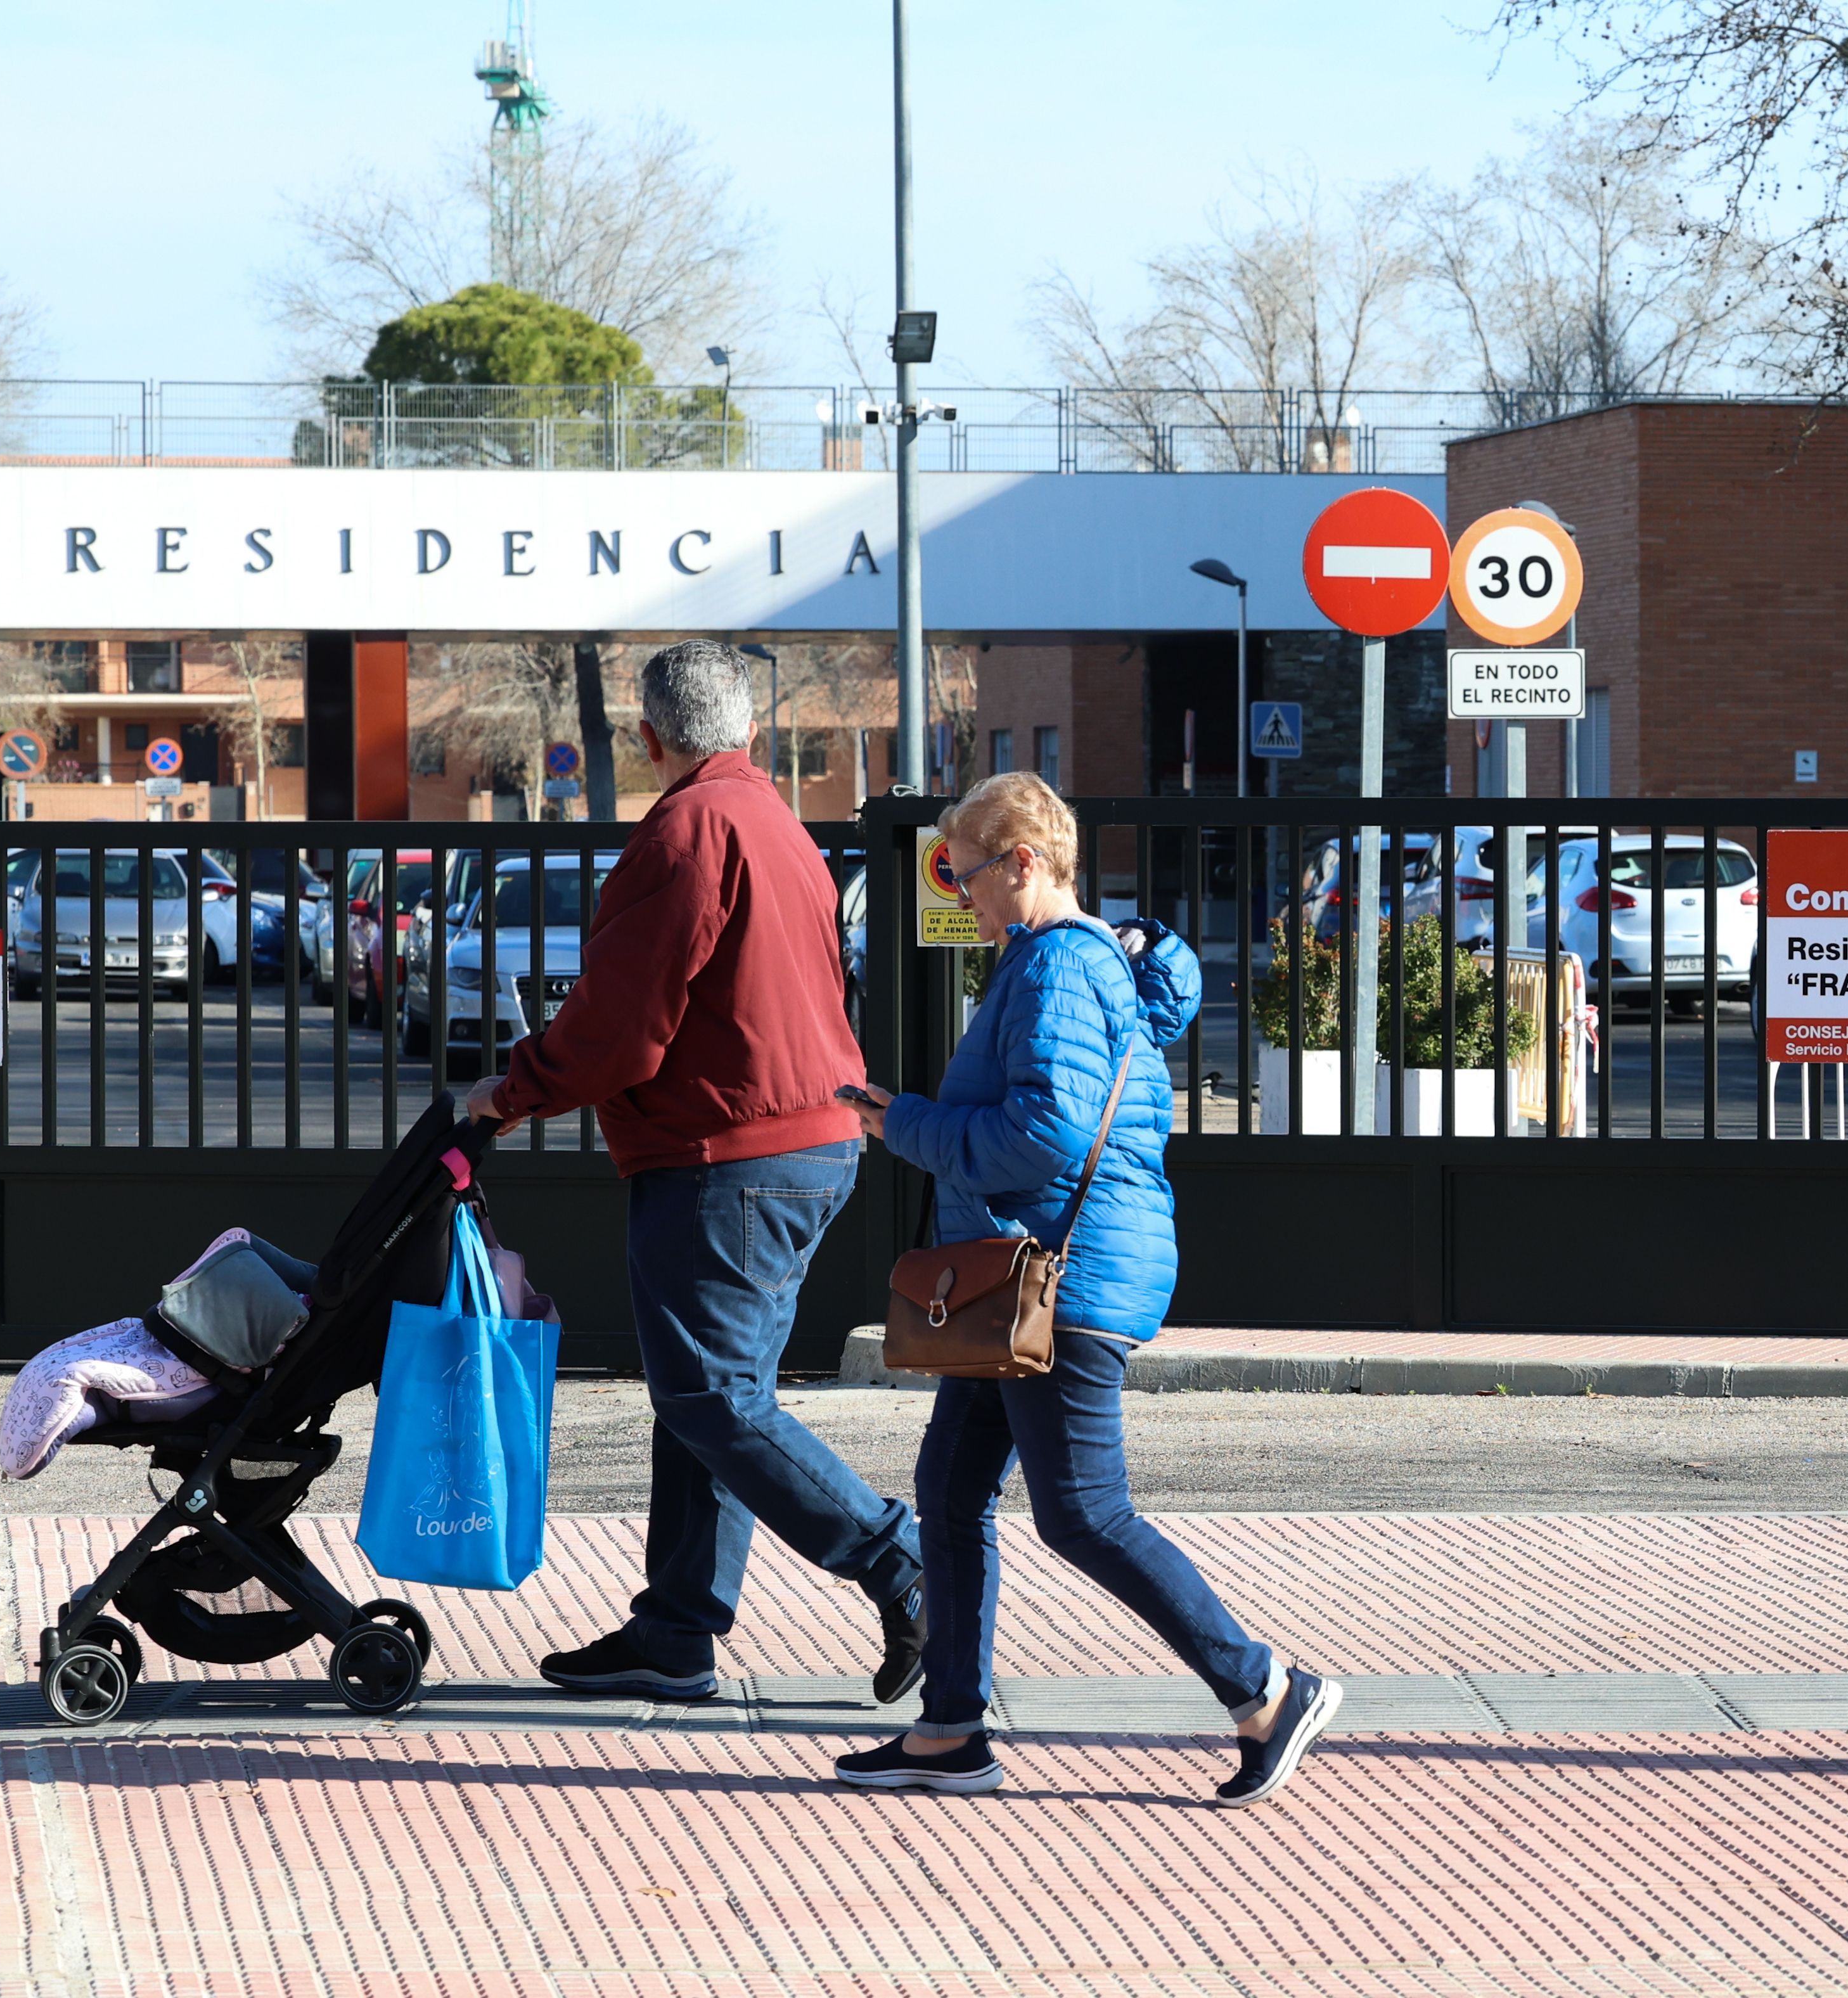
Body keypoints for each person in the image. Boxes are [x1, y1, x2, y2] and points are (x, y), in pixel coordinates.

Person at [840, 771, 1339, 1805]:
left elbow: (1045, 1131)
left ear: (1022, 863)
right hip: (1017, 1283)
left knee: (1082, 1514)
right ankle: (949, 1730)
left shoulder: (1060, 969)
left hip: (1059, 1282)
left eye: (964, 872)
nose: (958, 893)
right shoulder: (1058, 961)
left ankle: (1265, 1689)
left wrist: (909, 1125)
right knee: (948, 1491)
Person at [465, 637, 925, 1705]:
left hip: (727, 1154)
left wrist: (509, 1088)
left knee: (710, 1396)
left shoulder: (685, 830)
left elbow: (622, 1029)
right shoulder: (777, 824)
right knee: (710, 1397)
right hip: (806, 1140)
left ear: (647, 738)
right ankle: (676, 1629)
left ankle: (898, 1564)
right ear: (754, 731)